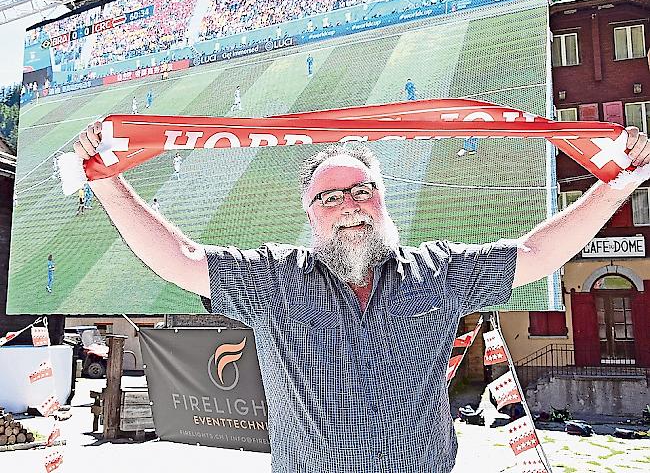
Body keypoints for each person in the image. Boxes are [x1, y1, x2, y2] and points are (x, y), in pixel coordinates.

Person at [73, 121, 650, 472]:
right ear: (309, 212)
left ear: (382, 199)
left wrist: (615, 187)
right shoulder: (278, 278)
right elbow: (183, 260)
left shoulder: (437, 272)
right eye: (330, 197)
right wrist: (106, 179)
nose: (348, 205)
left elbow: (534, 253)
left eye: (361, 190)